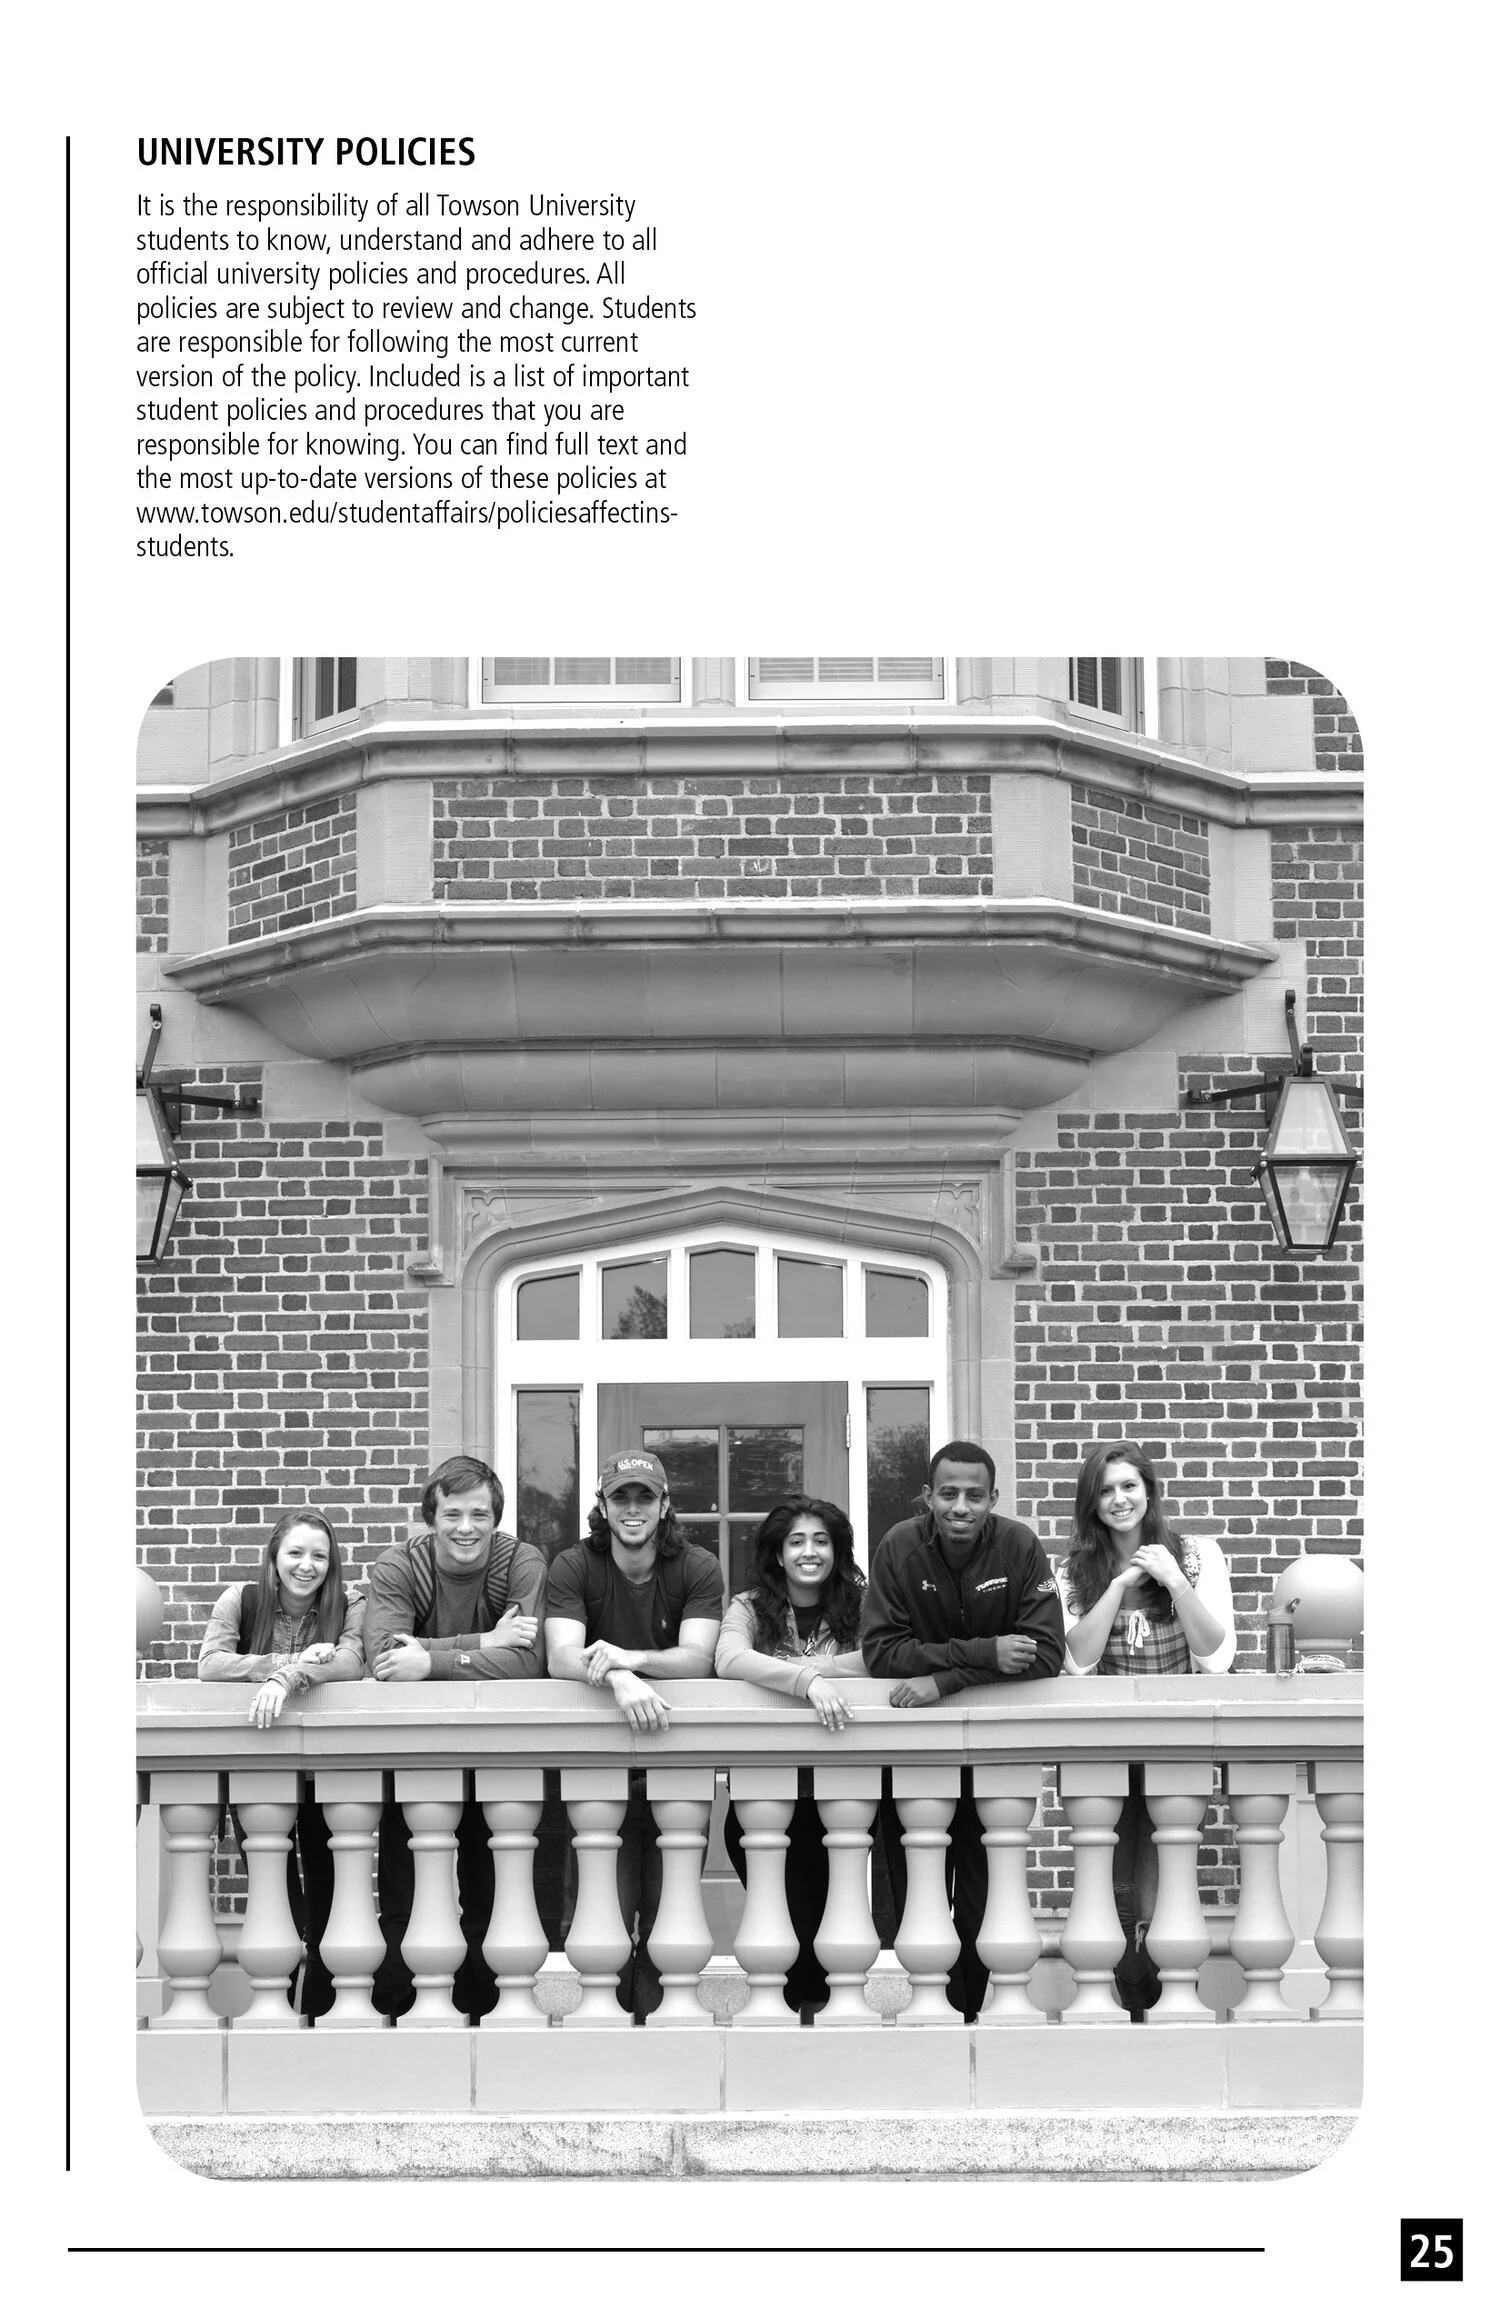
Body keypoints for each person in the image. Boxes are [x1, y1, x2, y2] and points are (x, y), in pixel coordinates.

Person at [861, 1439, 1065, 2020]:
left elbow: (1045, 1654)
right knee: (916, 1903)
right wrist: (984, 1654)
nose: (961, 1507)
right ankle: (934, 2016)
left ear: (994, 1498)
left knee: (982, 1904)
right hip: (912, 1757)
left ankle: (970, 2020)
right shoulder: (900, 1546)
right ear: (928, 1496)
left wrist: (944, 1681)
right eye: (948, 1493)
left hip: (991, 1760)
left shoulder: (1019, 1546)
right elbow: (881, 1653)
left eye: (975, 1495)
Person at [364, 1454, 547, 2021]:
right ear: (430, 1517)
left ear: (496, 1518)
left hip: (498, 1754)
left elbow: (530, 1663)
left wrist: (435, 1658)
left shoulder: (521, 1561)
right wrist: (488, 1639)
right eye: (452, 1514)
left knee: (489, 1899)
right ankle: (395, 2016)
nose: (466, 1527)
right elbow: (385, 1660)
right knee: (403, 1895)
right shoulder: (399, 1566)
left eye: (479, 1514)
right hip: (412, 1753)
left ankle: (482, 2019)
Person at [1060, 1440, 1237, 2018]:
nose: (1119, 1499)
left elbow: (1217, 1658)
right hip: (1102, 1753)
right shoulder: (1072, 1572)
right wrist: (1114, 1588)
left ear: (1150, 1491)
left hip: (1174, 1749)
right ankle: (1129, 1997)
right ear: (1091, 1504)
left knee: (1160, 1881)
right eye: (1105, 1490)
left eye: (1129, 1486)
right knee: (1113, 1885)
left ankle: (1161, 1999)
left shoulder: (1198, 1556)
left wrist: (1173, 1581)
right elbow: (1076, 1662)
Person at [545, 1450, 723, 2020]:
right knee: (606, 1912)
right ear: (602, 1504)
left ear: (665, 1505)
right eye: (620, 1497)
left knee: (671, 1912)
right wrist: (620, 1677)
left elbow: (699, 1659)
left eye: (645, 1497)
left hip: (676, 1760)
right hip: (597, 1767)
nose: (632, 1508)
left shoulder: (697, 1566)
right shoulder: (575, 1565)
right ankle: (613, 2039)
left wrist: (631, 1656)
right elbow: (559, 1657)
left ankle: (666, 2040)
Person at [198, 1508, 366, 2019]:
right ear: (273, 1558)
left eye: (319, 1555)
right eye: (295, 1552)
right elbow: (210, 1664)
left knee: (328, 1893)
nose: (307, 1565)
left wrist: (292, 1680)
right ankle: (282, 2007)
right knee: (275, 1895)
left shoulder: (351, 1603)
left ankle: (321, 2009)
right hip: (260, 1774)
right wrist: (281, 1665)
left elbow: (353, 1661)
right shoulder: (242, 1601)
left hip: (327, 1776)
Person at [715, 1496, 869, 2021]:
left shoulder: (862, 1602)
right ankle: (785, 2036)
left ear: (837, 1550)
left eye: (821, 1541)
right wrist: (808, 1680)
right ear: (778, 1554)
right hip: (763, 1792)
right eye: (797, 1541)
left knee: (829, 1920)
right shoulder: (749, 1605)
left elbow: (886, 1654)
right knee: (781, 1918)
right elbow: (730, 1658)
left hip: (841, 1792)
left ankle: (819, 2037)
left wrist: (815, 1664)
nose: (809, 1552)